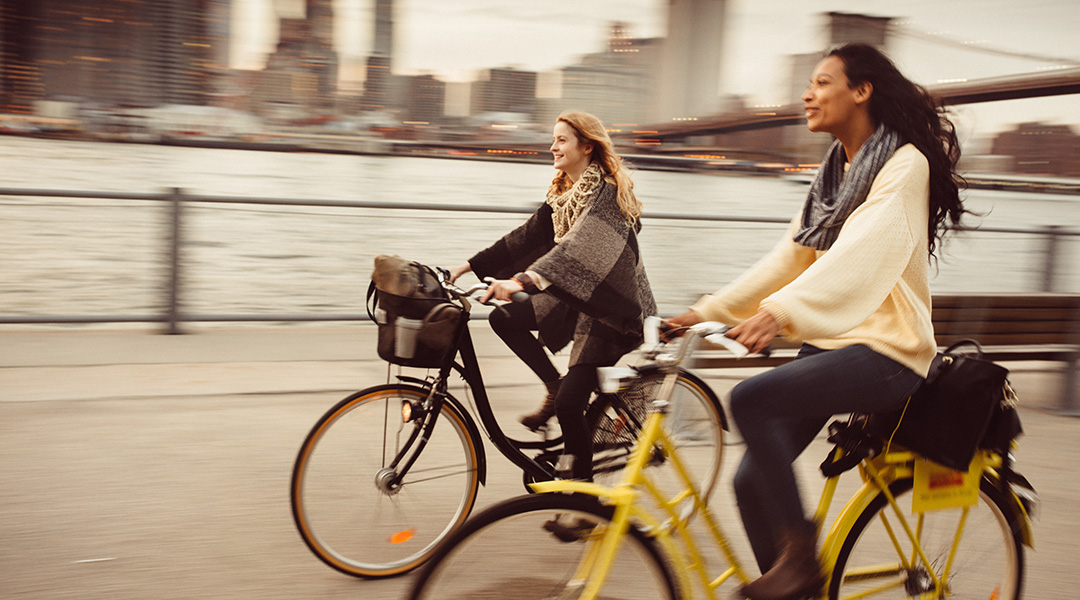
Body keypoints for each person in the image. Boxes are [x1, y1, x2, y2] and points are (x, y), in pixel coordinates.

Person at [666, 43, 968, 600]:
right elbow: (789, 260)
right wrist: (704, 312)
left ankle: (801, 562)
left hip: (889, 352)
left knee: (750, 400)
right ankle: (796, 587)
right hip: (835, 346)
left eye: (822, 82)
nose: (807, 93)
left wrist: (780, 313)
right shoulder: (834, 172)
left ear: (861, 91)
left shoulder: (905, 165)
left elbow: (862, 254)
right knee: (750, 482)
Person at [448, 110, 656, 482]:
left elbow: (577, 248)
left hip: (611, 311)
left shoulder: (605, 195)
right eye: (554, 138)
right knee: (503, 318)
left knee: (569, 406)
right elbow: (523, 238)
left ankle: (581, 496)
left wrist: (522, 281)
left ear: (586, 146)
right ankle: (553, 382)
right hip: (578, 300)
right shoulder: (564, 195)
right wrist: (462, 267)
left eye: (561, 139)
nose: (552, 146)